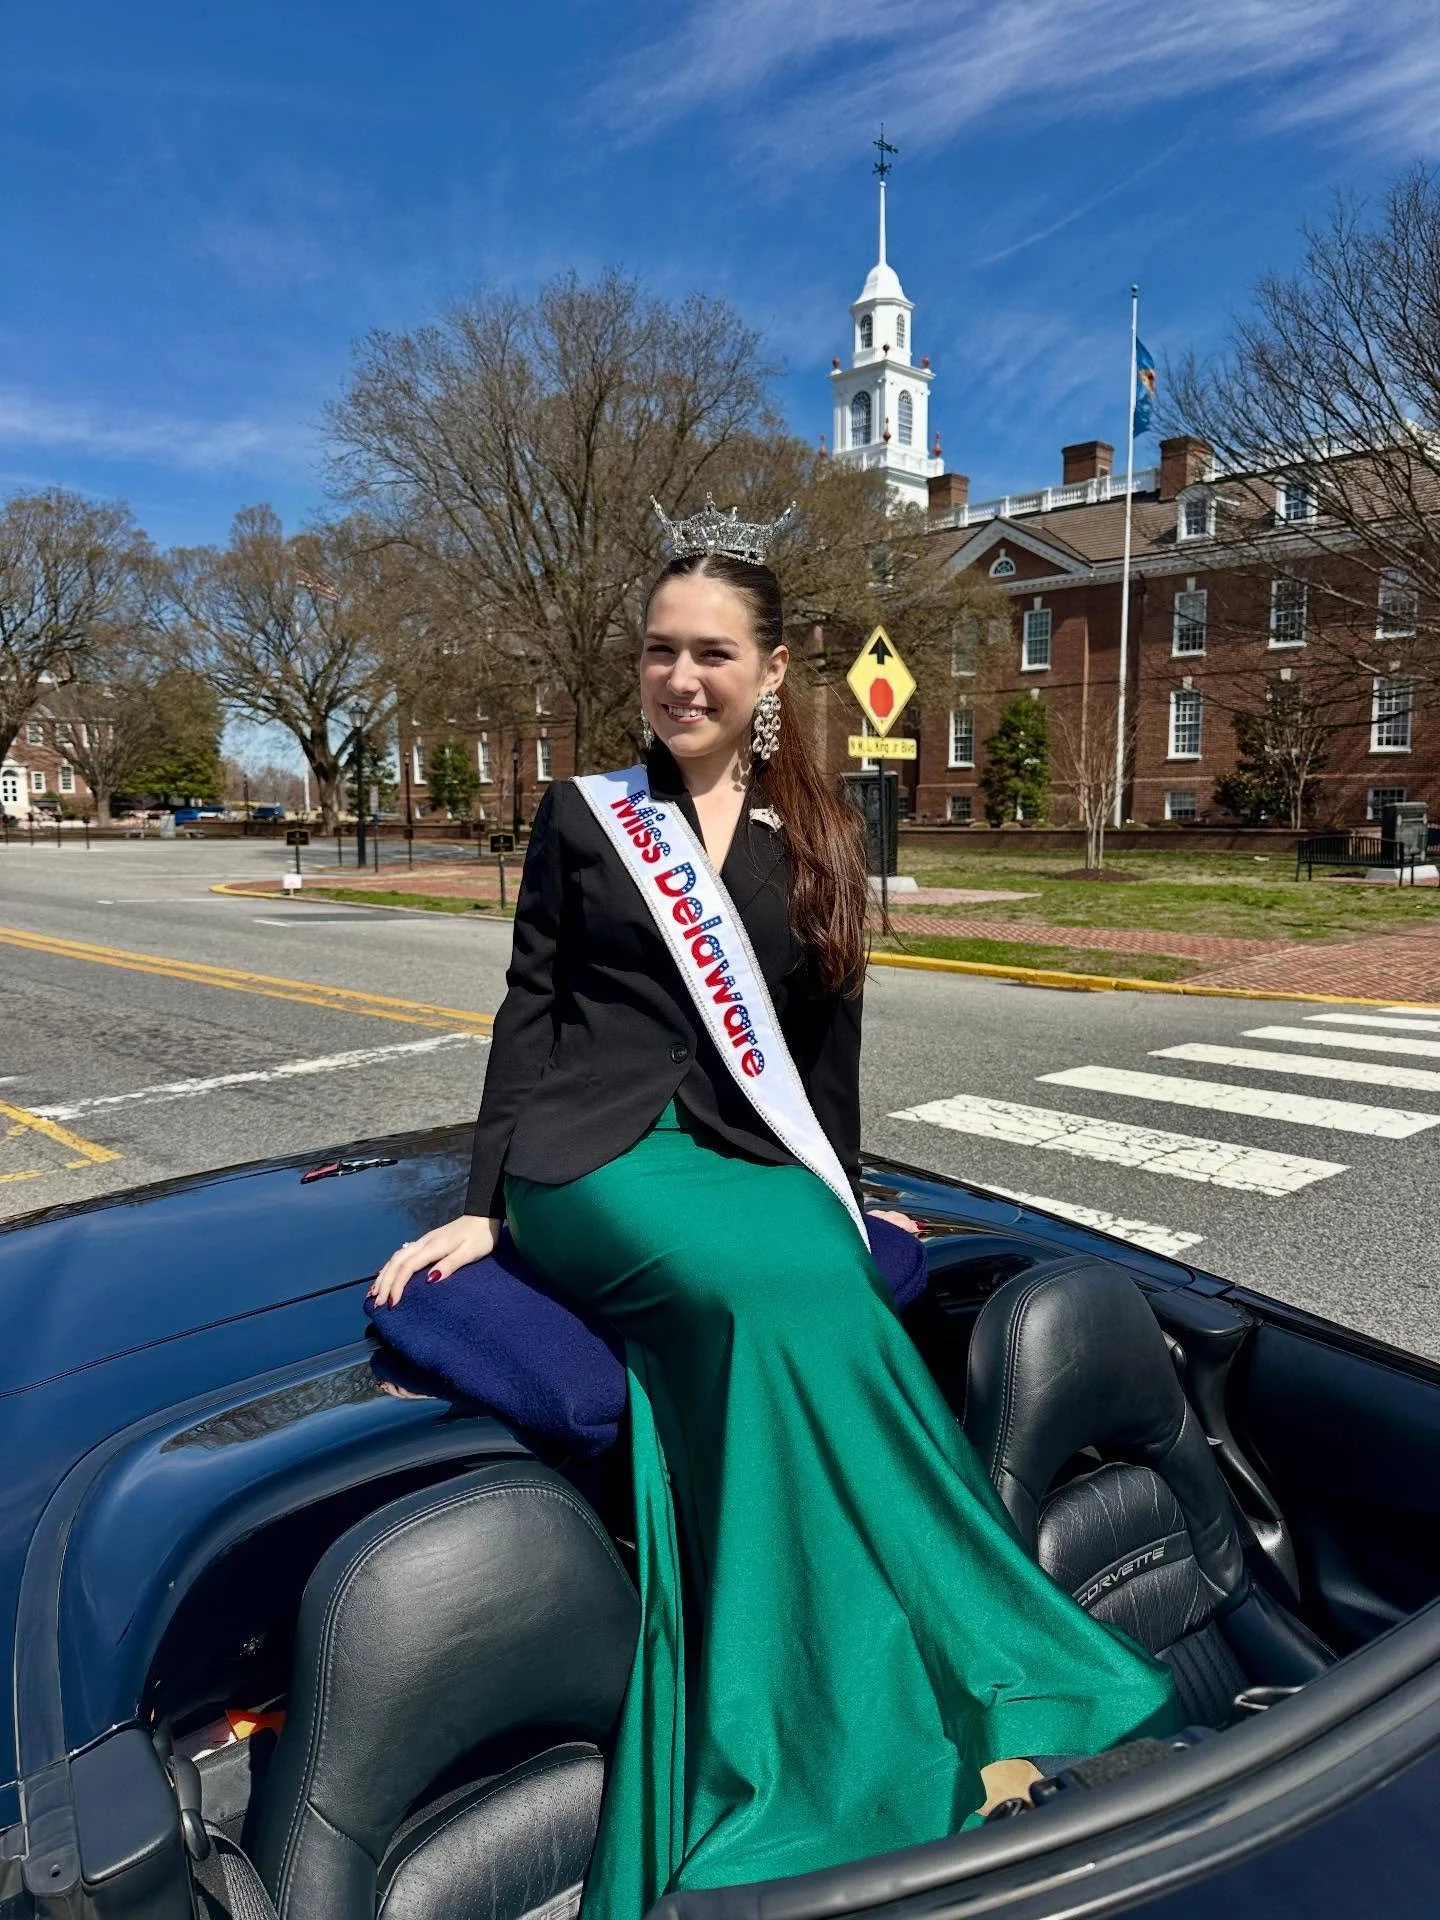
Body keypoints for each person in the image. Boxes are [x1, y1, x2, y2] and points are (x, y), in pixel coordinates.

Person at [371, 505, 1180, 1920]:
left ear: (771, 670)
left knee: (833, 1289)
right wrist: (487, 1207)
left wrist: (843, 1182)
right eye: (659, 653)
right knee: (759, 1304)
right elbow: (530, 1011)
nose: (681, 678)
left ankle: (961, 1683)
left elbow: (826, 1041)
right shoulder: (584, 816)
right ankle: (799, 1735)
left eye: (712, 655)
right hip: (598, 1166)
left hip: (752, 1151)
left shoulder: (819, 828)